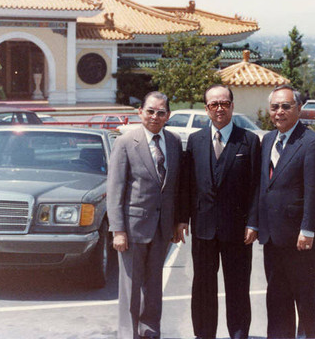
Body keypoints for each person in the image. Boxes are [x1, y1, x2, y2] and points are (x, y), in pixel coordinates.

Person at [177, 84, 261, 339]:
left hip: (238, 230)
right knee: (202, 288)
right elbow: (186, 184)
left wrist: (254, 222)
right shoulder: (195, 140)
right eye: (214, 104)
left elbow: (257, 186)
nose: (219, 108)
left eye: (224, 103)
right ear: (206, 109)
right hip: (203, 230)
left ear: (232, 106)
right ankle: (204, 335)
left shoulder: (248, 140)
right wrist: (182, 219)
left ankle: (238, 334)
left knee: (237, 288)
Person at [107, 91, 184, 339]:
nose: (155, 116)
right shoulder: (126, 142)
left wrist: (176, 223)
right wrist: (118, 230)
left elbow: (176, 187)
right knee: (131, 286)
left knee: (154, 285)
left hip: (162, 228)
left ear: (168, 116)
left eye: (161, 112)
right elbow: (115, 188)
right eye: (150, 111)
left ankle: (150, 330)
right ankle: (128, 333)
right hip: (132, 228)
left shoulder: (173, 142)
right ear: (140, 112)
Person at [258, 85, 315, 339]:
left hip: (301, 240)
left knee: (305, 299)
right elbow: (264, 187)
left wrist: (307, 229)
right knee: (276, 298)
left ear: (298, 109)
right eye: (275, 107)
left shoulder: (311, 143)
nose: (279, 112)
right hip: (272, 238)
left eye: (286, 106)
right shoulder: (267, 140)